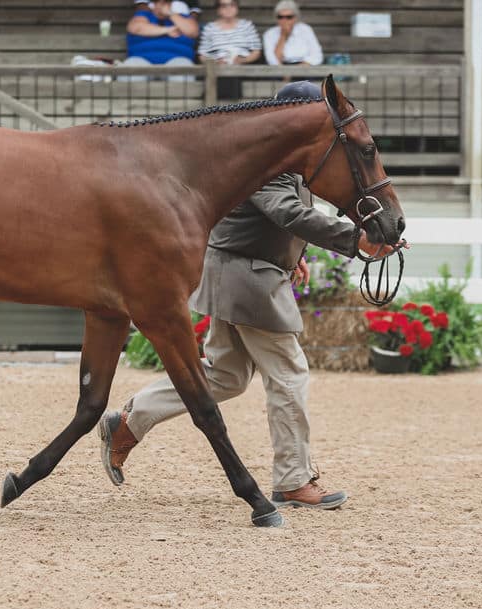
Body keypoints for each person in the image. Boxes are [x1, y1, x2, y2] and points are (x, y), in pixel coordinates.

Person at [98, 81, 397, 510]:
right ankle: (293, 479)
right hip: (248, 279)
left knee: (225, 376)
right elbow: (287, 211)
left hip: (236, 274)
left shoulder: (287, 160)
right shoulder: (268, 160)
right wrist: (355, 241)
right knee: (289, 373)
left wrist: (294, 254)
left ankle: (128, 422)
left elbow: (286, 217)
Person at [197, 0, 262, 99]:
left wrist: (242, 60)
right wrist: (215, 62)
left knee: (231, 75)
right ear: (218, 10)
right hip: (217, 68)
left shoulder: (247, 26)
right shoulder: (210, 28)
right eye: (224, 5)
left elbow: (256, 51)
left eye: (232, 4)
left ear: (237, 7)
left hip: (242, 67)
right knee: (221, 75)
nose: (228, 8)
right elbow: (202, 55)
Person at [124, 0, 200, 77]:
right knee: (131, 66)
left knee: (184, 66)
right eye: (158, 2)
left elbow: (193, 31)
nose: (161, 5)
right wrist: (167, 30)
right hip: (141, 61)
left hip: (177, 62)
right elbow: (136, 28)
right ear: (153, 4)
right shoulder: (143, 15)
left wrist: (171, 14)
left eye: (165, 2)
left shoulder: (183, 17)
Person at [262, 0, 323, 66]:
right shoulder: (269, 34)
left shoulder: (305, 29)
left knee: (325, 75)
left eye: (289, 17)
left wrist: (298, 69)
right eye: (280, 17)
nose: (284, 21)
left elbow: (317, 55)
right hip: (281, 67)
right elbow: (272, 60)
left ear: (296, 18)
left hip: (304, 66)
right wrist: (283, 36)